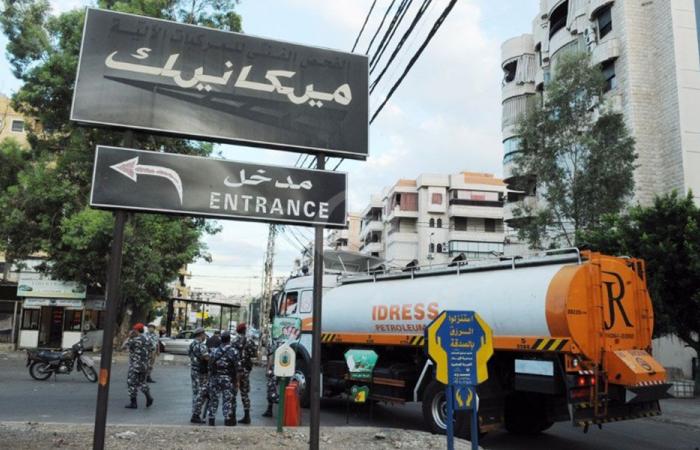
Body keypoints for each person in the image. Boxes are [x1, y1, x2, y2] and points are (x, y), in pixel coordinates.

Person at [207, 331, 241, 426]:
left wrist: (209, 379)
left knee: (213, 399)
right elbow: (238, 369)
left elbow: (209, 366)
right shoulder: (234, 351)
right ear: (229, 340)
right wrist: (237, 382)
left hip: (215, 378)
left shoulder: (214, 351)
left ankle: (211, 419)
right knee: (227, 400)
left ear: (221, 340)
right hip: (228, 379)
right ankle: (227, 419)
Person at [121, 323, 153, 409]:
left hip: (135, 365)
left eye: (134, 330)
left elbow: (123, 347)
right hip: (145, 365)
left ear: (136, 330)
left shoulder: (134, 340)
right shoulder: (148, 339)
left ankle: (133, 403)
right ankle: (148, 397)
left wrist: (129, 337)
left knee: (131, 383)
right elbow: (152, 349)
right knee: (142, 382)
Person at [233, 323, 257, 424]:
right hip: (246, 371)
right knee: (245, 393)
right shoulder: (250, 341)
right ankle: (247, 416)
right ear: (244, 330)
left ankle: (232, 416)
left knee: (233, 393)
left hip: (236, 371)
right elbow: (254, 354)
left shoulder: (234, 341)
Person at [188, 327, 209, 424]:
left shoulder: (191, 344)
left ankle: (195, 412)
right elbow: (207, 358)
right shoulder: (201, 346)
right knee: (201, 393)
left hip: (193, 370)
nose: (205, 337)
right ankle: (196, 414)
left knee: (196, 392)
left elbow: (189, 355)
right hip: (201, 372)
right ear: (201, 335)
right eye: (204, 335)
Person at [262, 336, 280, 418]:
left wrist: (268, 370)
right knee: (270, 390)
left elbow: (271, 358)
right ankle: (269, 410)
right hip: (274, 369)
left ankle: (283, 405)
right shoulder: (276, 343)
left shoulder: (273, 344)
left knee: (272, 392)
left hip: (273, 370)